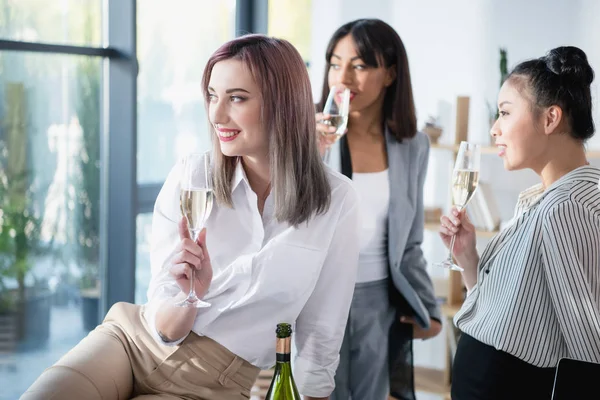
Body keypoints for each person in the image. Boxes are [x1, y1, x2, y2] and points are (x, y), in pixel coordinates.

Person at [22, 34, 360, 400]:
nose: (216, 114)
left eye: (236, 98)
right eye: (213, 95)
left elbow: (321, 330)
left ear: (283, 104)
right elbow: (164, 327)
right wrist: (189, 296)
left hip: (216, 385)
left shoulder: (336, 201)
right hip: (131, 344)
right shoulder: (192, 176)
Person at [439, 46, 600, 400]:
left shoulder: (565, 207)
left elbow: (588, 346)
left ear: (550, 119)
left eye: (505, 113)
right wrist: (468, 259)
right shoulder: (539, 198)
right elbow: (506, 307)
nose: (495, 129)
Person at [316, 19, 442, 400]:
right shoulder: (307, 134)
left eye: (359, 65)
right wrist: (309, 150)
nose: (343, 78)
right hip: (319, 295)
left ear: (389, 74)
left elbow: (410, 242)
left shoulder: (412, 146)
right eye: (336, 64)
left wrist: (430, 310)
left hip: (379, 299)